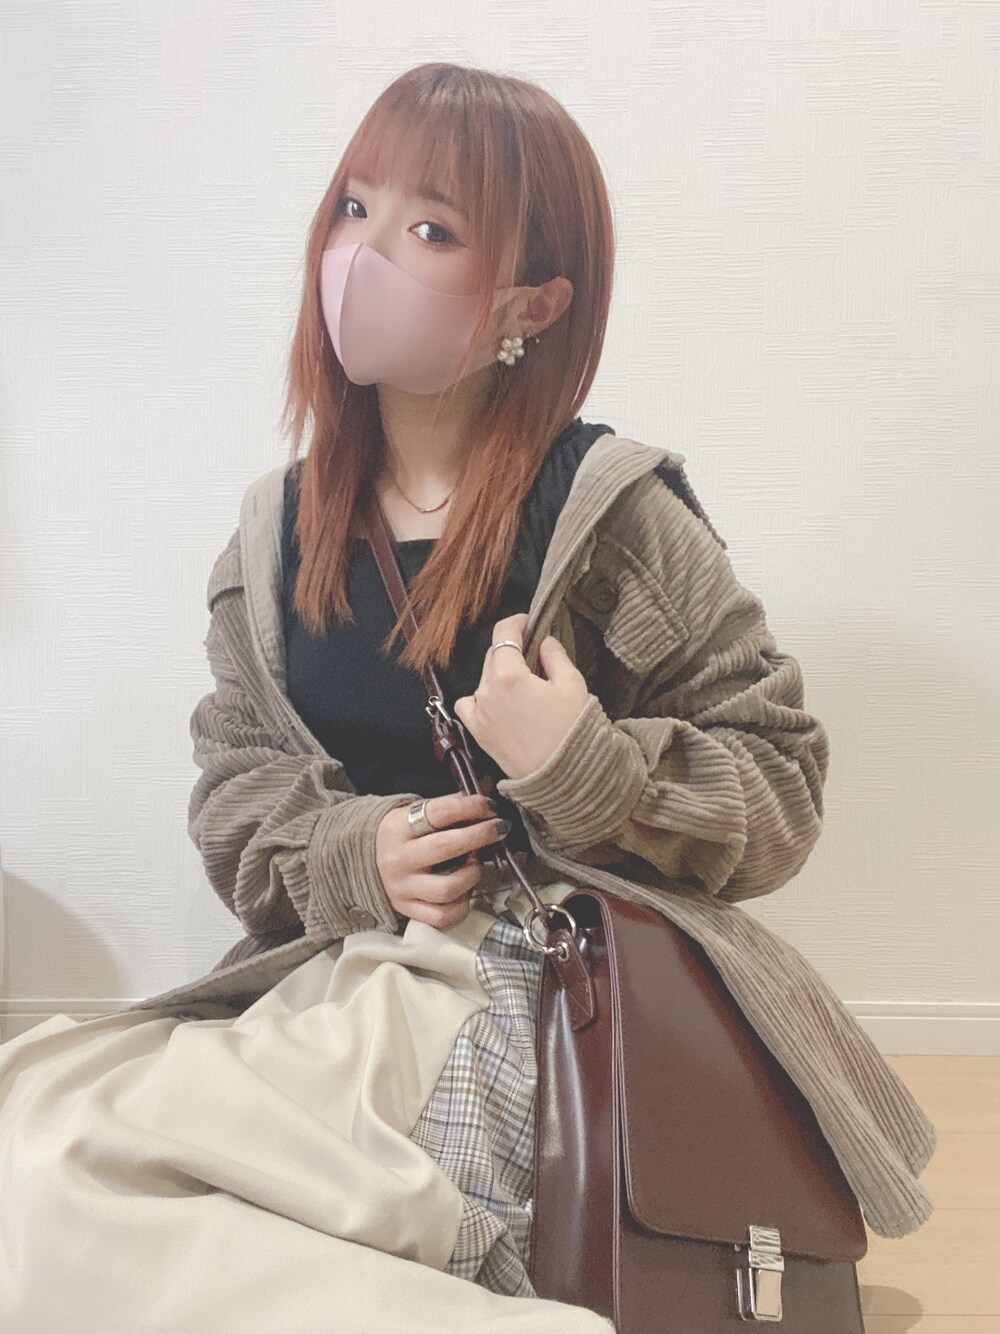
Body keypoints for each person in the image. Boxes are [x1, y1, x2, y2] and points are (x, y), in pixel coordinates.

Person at [0, 61, 936, 1333]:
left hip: (530, 994)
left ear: (531, 303)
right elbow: (233, 797)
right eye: (354, 208)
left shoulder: (608, 513)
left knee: (74, 1177)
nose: (361, 256)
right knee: (35, 1126)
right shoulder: (276, 537)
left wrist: (586, 767)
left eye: (430, 228)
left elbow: (776, 782)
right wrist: (356, 848)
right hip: (344, 981)